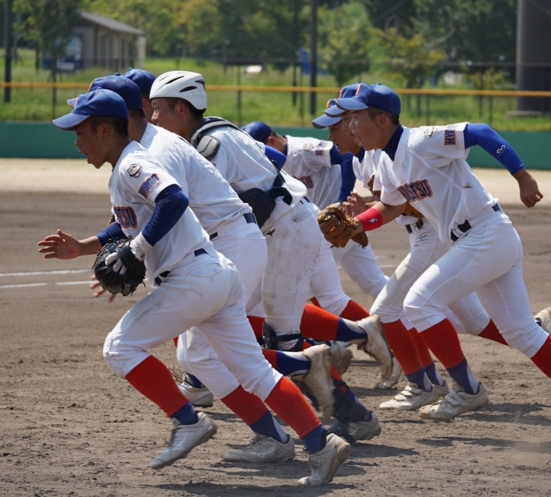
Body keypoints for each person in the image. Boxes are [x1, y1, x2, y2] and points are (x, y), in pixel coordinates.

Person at [37, 89, 350, 485]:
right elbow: (141, 215)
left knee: (119, 347)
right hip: (215, 275)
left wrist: (137, 249)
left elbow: (173, 198)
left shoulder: (134, 163)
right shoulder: (127, 166)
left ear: (104, 130)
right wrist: (90, 248)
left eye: (79, 132)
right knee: (254, 372)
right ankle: (322, 444)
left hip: (194, 280)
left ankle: (188, 421)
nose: (76, 141)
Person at [335, 83, 551, 441]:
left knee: (419, 302)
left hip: (485, 233)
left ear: (382, 119)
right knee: (521, 333)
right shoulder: (388, 163)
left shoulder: (420, 141)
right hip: (479, 240)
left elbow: (480, 132)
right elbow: (390, 207)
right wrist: (359, 222)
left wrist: (522, 176)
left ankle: (467, 389)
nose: (352, 126)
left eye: (356, 117)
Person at [147, 70, 387, 442]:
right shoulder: (215, 132)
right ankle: (299, 419)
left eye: (158, 108)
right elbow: (270, 162)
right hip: (276, 233)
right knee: (253, 336)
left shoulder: (210, 144)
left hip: (285, 233)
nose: (153, 118)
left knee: (279, 340)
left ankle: (349, 414)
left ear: (181, 107)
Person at [244, 120, 401, 388]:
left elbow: (342, 155)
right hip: (313, 225)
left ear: (269, 141)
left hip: (321, 225)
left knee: (318, 297)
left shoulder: (302, 149)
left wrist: (341, 199)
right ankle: (369, 340)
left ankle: (373, 340)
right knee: (337, 294)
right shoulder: (261, 160)